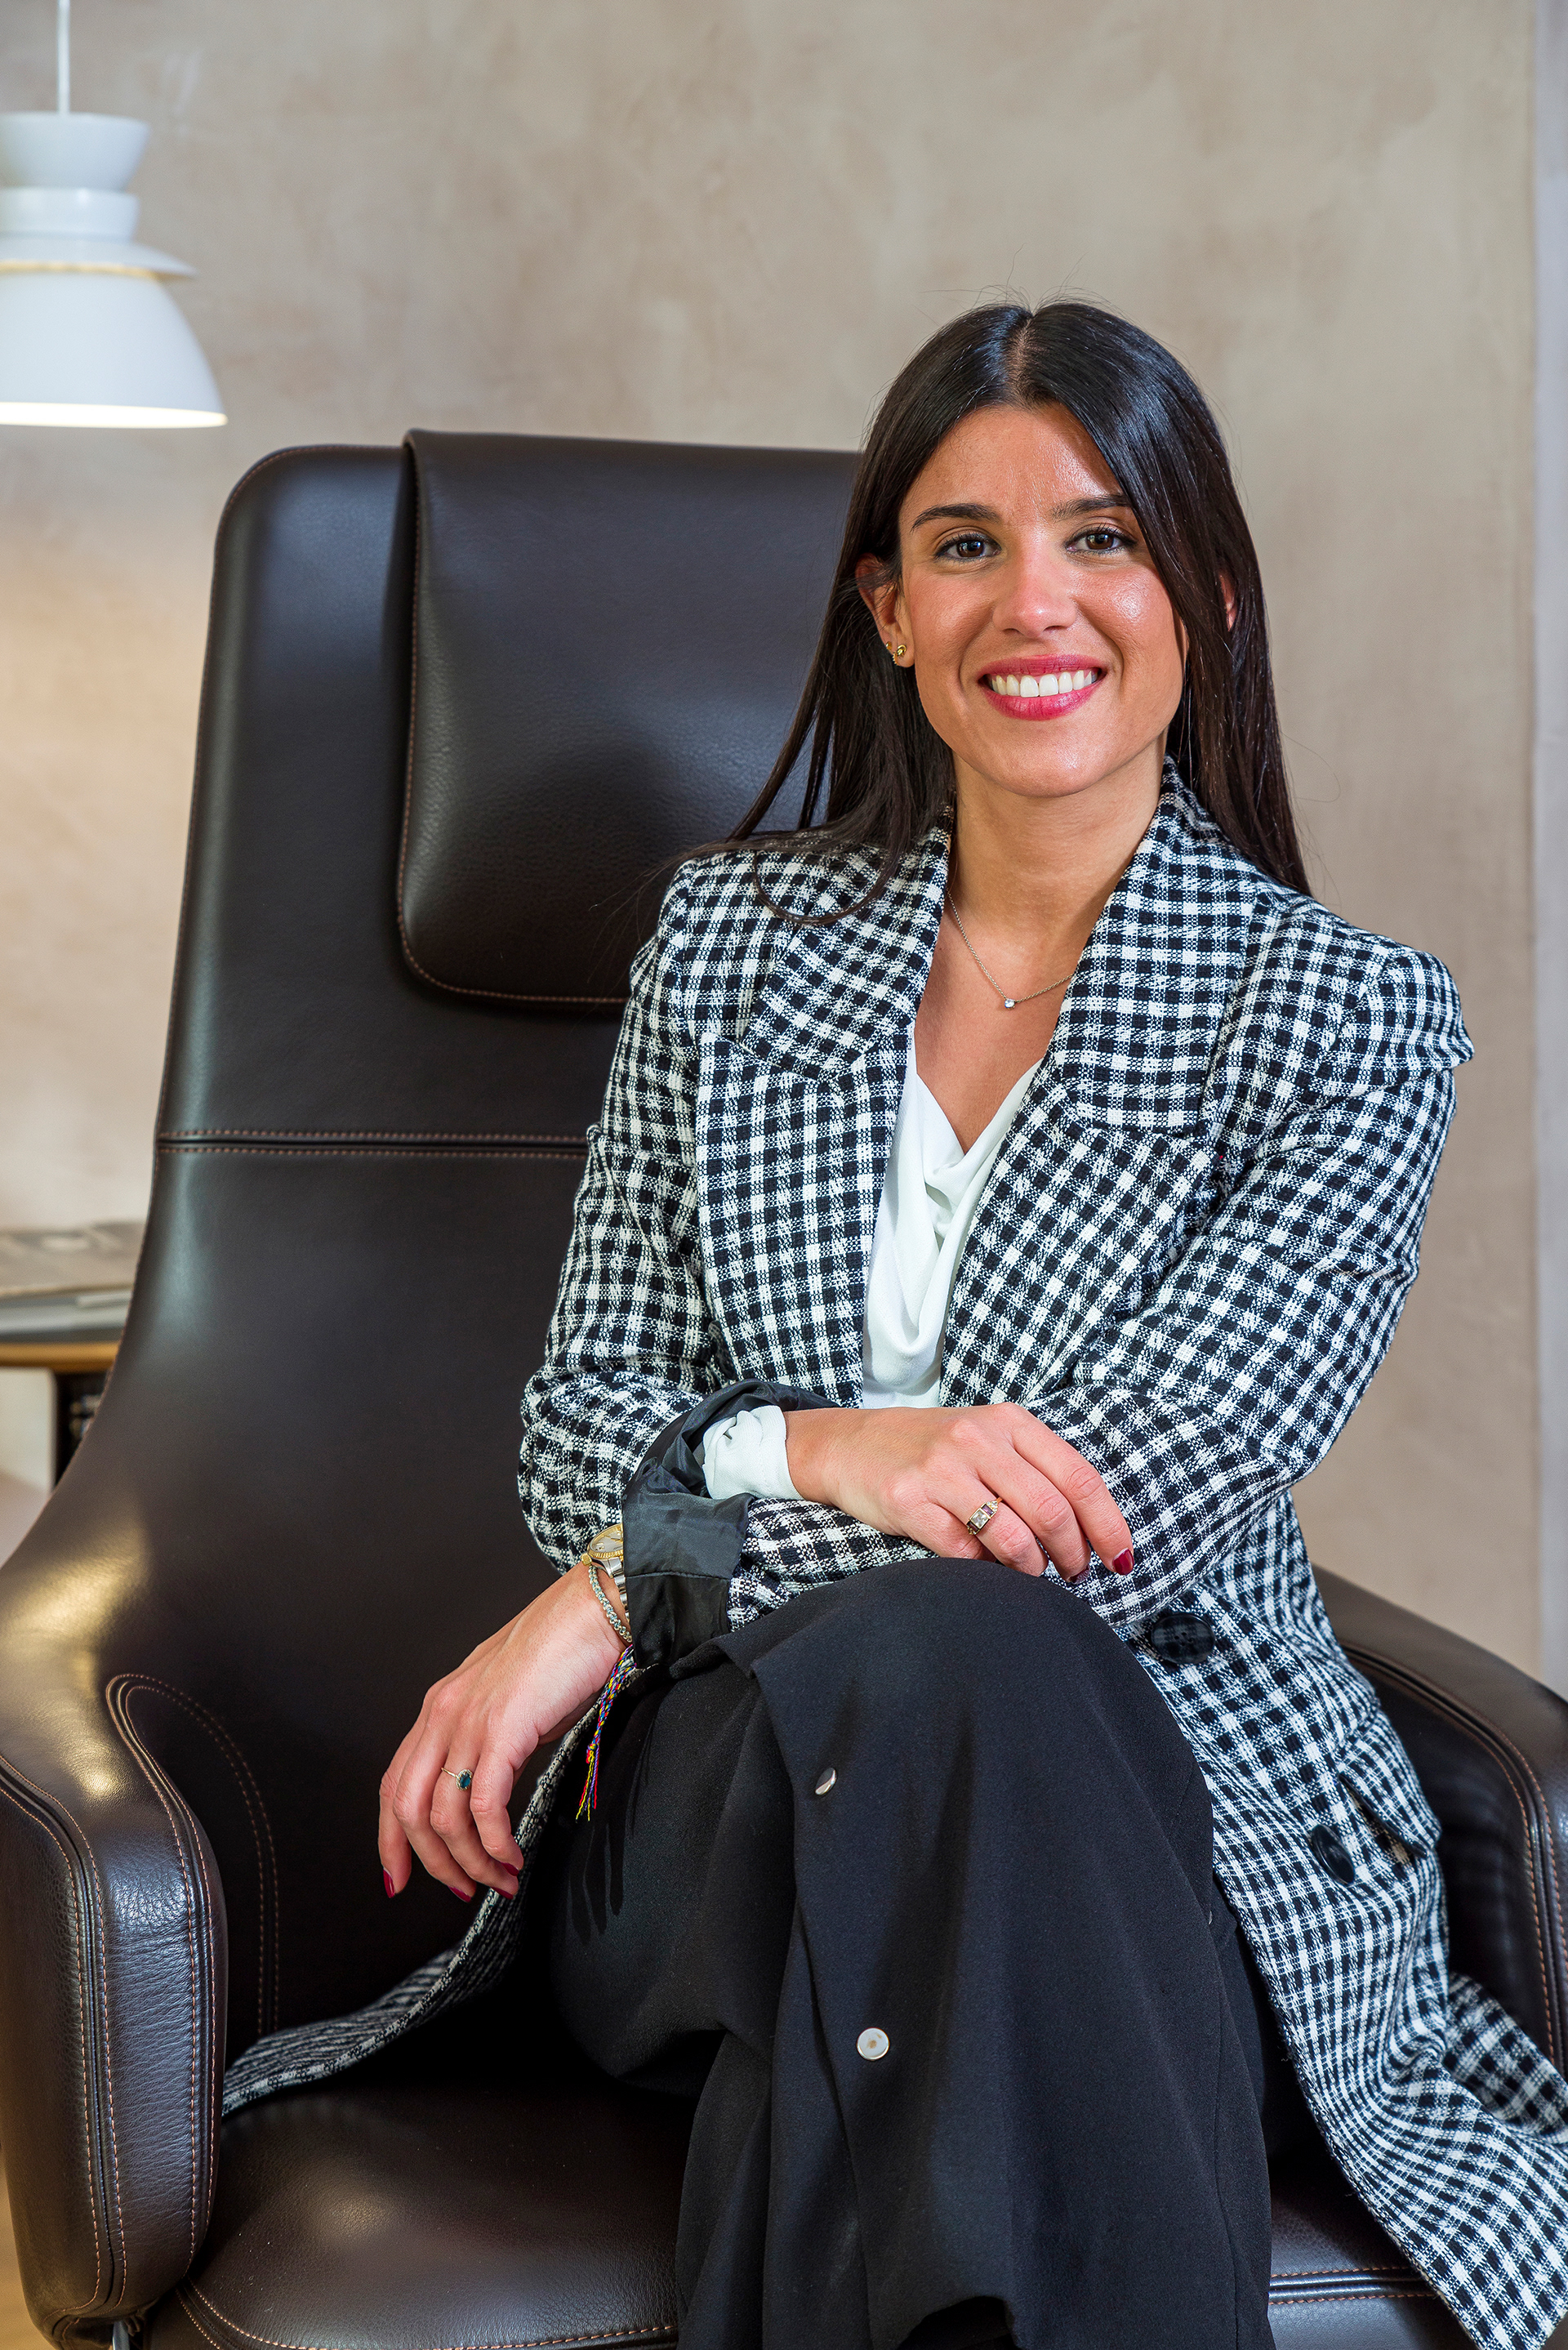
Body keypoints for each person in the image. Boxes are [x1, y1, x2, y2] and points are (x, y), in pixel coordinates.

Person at [361, 301, 1568, 2350]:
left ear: (1210, 596)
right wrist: (832, 1446)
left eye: (1105, 538)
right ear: (890, 609)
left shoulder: (1349, 1020)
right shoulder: (726, 948)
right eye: (964, 545)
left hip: (1165, 1813)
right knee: (947, 1682)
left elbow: (1110, 1511)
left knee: (963, 1730)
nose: (1037, 603)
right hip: (720, 1793)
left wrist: (620, 1586)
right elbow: (581, 1418)